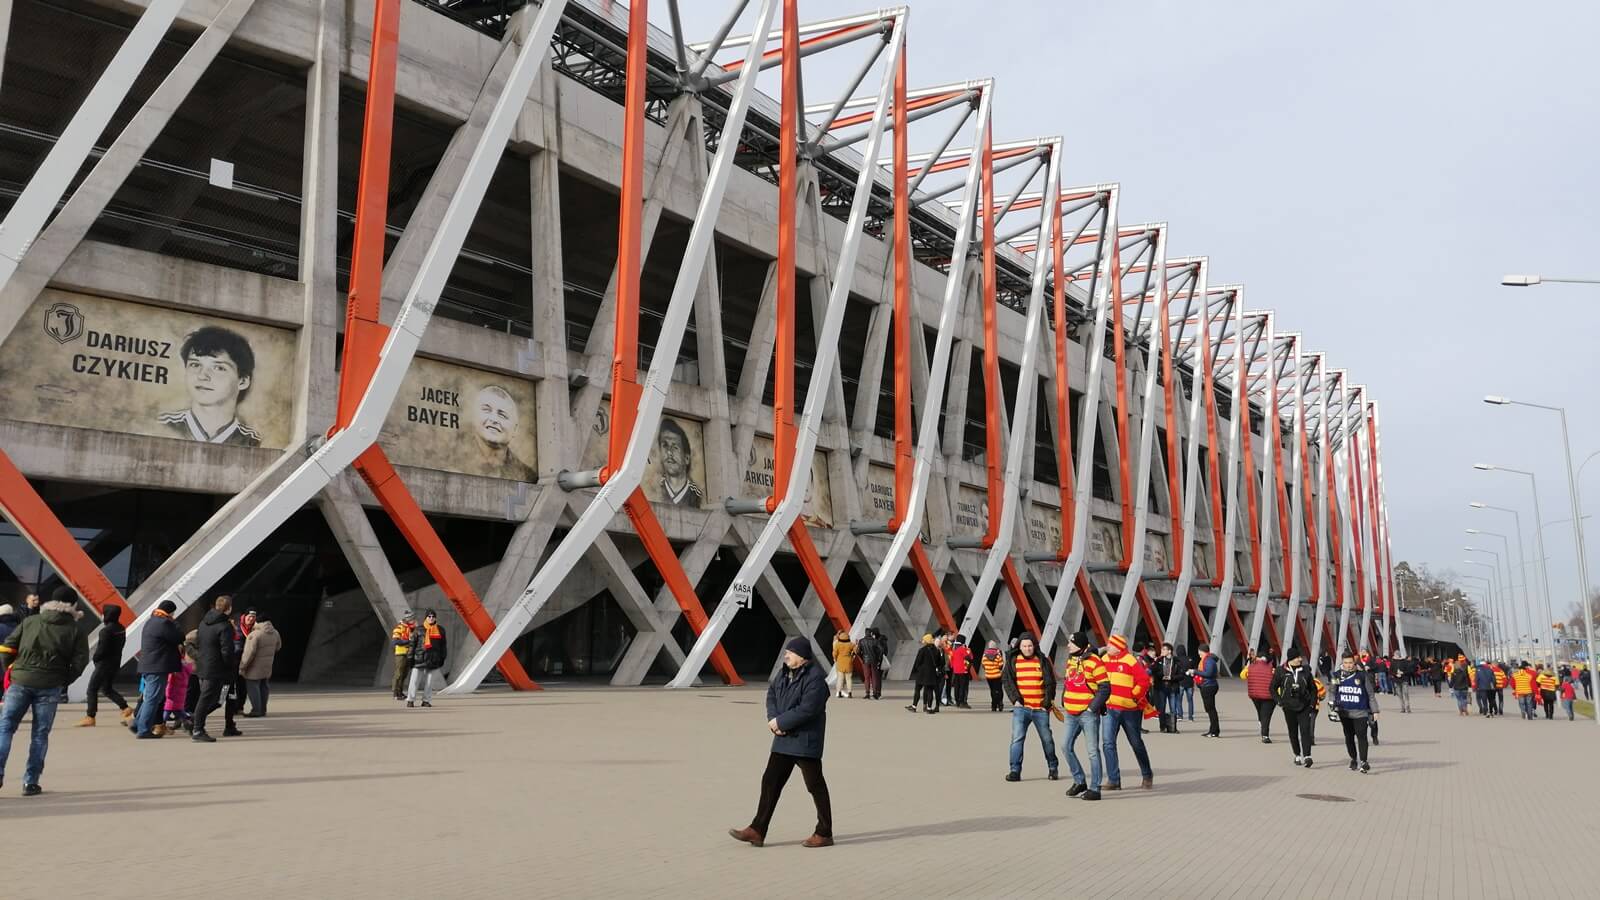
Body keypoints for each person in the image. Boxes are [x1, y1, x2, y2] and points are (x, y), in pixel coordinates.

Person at [728, 636, 832, 848]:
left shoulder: (815, 680)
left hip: (805, 741)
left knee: (814, 785)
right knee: (770, 782)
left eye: (790, 653)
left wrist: (781, 722)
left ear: (801, 656)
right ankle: (757, 830)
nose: (786, 656)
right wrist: (773, 719)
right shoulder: (783, 673)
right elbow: (772, 695)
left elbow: (808, 709)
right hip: (784, 739)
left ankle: (824, 832)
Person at [0, 592, 88, 795]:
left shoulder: (30, 621)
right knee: (40, 734)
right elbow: (80, 662)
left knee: (5, 727)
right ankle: (30, 782)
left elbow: (6, 648)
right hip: (50, 684)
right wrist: (64, 680)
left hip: (20, 680)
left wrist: (11, 671)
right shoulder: (75, 630)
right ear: (73, 605)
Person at [158, 325, 263, 446]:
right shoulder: (161, 425)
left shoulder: (254, 441)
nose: (202, 376)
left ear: (243, 381)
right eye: (195, 365)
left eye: (218, 368)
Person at [1100, 634, 1154, 791]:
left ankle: (1147, 774)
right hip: (1110, 709)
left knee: (1136, 743)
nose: (1108, 647)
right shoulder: (1104, 660)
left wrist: (1134, 696)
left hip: (1130, 710)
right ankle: (1113, 780)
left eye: (1111, 645)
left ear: (1118, 647)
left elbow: (1144, 681)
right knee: (1108, 743)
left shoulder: (1130, 660)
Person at [1002, 634, 1058, 782]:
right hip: (1022, 708)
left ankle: (1053, 768)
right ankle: (1015, 771)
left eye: (1030, 646)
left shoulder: (1042, 660)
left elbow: (1051, 682)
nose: (1027, 649)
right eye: (1024, 646)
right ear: (1019, 646)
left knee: (1047, 740)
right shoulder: (1013, 660)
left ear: (1034, 646)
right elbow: (1006, 680)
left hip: (1040, 708)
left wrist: (1047, 703)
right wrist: (1015, 700)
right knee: (1017, 739)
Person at [1059, 631, 1108, 801]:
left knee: (1092, 751)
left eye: (1071, 642)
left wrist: (1091, 708)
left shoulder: (1095, 662)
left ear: (1080, 644)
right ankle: (1079, 780)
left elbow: (1105, 688)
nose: (1068, 645)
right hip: (1071, 712)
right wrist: (1064, 699)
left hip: (1087, 714)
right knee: (1065, 746)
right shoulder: (1071, 659)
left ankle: (1095, 788)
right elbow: (1069, 681)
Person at [190, 596, 239, 743]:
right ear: (228, 608)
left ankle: (195, 723)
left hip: (204, 664)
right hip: (217, 668)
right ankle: (197, 728)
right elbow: (227, 650)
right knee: (208, 698)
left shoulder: (204, 623)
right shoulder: (225, 626)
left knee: (207, 697)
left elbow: (199, 643)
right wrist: (230, 665)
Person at [132, 599, 183, 738]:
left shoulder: (151, 620)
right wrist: (174, 622)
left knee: (149, 696)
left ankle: (137, 724)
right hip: (158, 666)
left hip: (148, 665)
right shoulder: (164, 623)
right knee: (153, 699)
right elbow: (179, 637)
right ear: (170, 612)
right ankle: (143, 730)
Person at [77, 604, 132, 727]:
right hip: (115, 662)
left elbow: (101, 650)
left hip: (104, 664)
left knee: (92, 689)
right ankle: (125, 707)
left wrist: (95, 658)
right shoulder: (121, 628)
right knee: (107, 688)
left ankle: (90, 716)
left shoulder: (106, 631)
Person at [471, 384, 536, 482]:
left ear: (515, 429)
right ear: (473, 417)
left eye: (502, 415)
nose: (494, 419)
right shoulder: (451, 458)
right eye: (486, 410)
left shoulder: (529, 477)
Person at [1332, 651, 1379, 773]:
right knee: (1349, 737)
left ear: (1354, 662)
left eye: (1350, 662)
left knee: (1362, 736)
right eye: (1346, 663)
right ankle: (1353, 759)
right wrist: (1332, 707)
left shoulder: (1362, 676)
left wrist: (1375, 710)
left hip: (1360, 712)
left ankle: (1364, 762)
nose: (1348, 665)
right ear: (1342, 662)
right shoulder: (1336, 675)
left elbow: (1370, 694)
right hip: (1344, 712)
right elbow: (1332, 692)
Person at [1272, 647, 1318, 768]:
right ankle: (1297, 754)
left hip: (1304, 706)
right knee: (1293, 732)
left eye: (1300, 657)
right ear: (1291, 659)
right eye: (1298, 657)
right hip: (1288, 707)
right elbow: (1272, 688)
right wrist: (1279, 701)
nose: (1300, 659)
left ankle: (1307, 756)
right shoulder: (1280, 671)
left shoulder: (1306, 671)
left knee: (1305, 730)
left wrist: (1312, 704)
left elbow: (1313, 690)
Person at [654, 419, 703, 507]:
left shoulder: (697, 496)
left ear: (686, 458)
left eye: (675, 447)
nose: (669, 452)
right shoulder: (655, 489)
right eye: (665, 445)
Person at [240, 615, 282, 717]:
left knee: (253, 687)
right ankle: (263, 709)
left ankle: (256, 710)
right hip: (267, 665)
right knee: (264, 686)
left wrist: (242, 666)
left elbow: (249, 653)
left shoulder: (255, 634)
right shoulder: (275, 633)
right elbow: (278, 646)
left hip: (254, 666)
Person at [406, 610, 447, 707]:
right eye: (429, 616)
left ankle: (426, 700)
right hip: (419, 658)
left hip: (433, 659)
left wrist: (442, 658)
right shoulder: (418, 629)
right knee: (414, 681)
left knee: (430, 682)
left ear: (435, 618)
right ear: (426, 618)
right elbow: (412, 645)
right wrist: (410, 658)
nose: (431, 618)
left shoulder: (440, 630)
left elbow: (443, 646)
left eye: (433, 616)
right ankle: (410, 700)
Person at [1190, 642, 1221, 737]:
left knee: (1210, 709)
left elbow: (1208, 673)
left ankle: (1214, 731)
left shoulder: (1208, 660)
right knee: (1209, 709)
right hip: (1207, 685)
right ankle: (1213, 729)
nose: (1199, 655)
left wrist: (1195, 671)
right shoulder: (1207, 659)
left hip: (1209, 686)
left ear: (1202, 651)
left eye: (1199, 652)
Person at [1246, 649, 1277, 743]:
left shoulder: (1250, 667)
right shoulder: (1271, 668)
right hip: (1268, 696)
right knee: (1266, 716)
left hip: (1254, 695)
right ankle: (1265, 735)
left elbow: (1244, 675)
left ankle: (1261, 721)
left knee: (1260, 711)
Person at [907, 633, 943, 714]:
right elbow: (939, 662)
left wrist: (918, 670)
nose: (923, 641)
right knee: (930, 691)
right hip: (931, 674)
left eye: (924, 640)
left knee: (917, 690)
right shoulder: (936, 650)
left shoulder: (922, 650)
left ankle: (914, 706)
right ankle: (929, 708)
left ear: (926, 641)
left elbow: (917, 663)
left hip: (922, 674)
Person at [164, 646, 195, 733]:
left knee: (167, 711)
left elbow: (170, 682)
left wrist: (168, 694)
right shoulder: (186, 665)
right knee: (179, 711)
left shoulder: (174, 667)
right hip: (181, 692)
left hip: (173, 693)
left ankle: (161, 724)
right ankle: (189, 720)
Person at [1154, 642, 1183, 733]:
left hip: (1172, 687)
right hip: (1161, 687)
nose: (1162, 651)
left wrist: (1172, 677)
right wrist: (1160, 675)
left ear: (1169, 651)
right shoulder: (1159, 660)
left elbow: (1181, 675)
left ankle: (1173, 727)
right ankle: (1163, 727)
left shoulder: (1177, 661)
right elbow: (1154, 672)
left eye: (1164, 649)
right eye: (1162, 649)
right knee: (1161, 708)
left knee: (1173, 708)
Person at [390, 611, 416, 700]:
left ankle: (400, 692)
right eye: (412, 618)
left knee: (404, 674)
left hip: (408, 653)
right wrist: (408, 642)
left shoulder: (411, 629)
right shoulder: (399, 628)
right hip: (400, 654)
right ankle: (395, 693)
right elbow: (395, 641)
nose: (414, 620)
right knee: (398, 674)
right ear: (408, 619)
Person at [858, 628, 885, 700]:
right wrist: (878, 657)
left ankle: (867, 693)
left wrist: (862, 657)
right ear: (871, 633)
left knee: (866, 677)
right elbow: (881, 650)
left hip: (865, 660)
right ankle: (875, 693)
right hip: (874, 660)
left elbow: (858, 651)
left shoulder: (861, 641)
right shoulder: (875, 641)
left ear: (865, 633)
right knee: (874, 677)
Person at [948, 634, 973, 709]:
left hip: (956, 670)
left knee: (957, 686)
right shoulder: (963, 649)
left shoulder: (953, 649)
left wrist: (953, 666)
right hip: (963, 670)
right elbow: (969, 657)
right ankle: (962, 702)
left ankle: (957, 701)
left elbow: (951, 660)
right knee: (963, 686)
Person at [980, 640, 1005, 711]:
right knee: (999, 690)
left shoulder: (985, 655)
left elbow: (983, 665)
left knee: (992, 690)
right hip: (997, 675)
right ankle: (1000, 704)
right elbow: (1001, 665)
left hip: (989, 676)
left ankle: (993, 705)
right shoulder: (998, 655)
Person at [831, 630, 855, 699]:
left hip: (840, 662)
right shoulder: (850, 644)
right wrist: (852, 655)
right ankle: (850, 693)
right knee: (849, 679)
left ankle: (839, 692)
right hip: (848, 662)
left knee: (840, 679)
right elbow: (856, 649)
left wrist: (835, 659)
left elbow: (834, 653)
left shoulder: (837, 644)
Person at [1176, 644, 1196, 723]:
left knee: (1179, 699)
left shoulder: (1177, 660)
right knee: (1190, 700)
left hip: (1180, 682)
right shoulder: (1190, 659)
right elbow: (1193, 670)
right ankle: (1190, 717)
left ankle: (1180, 715)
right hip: (1189, 682)